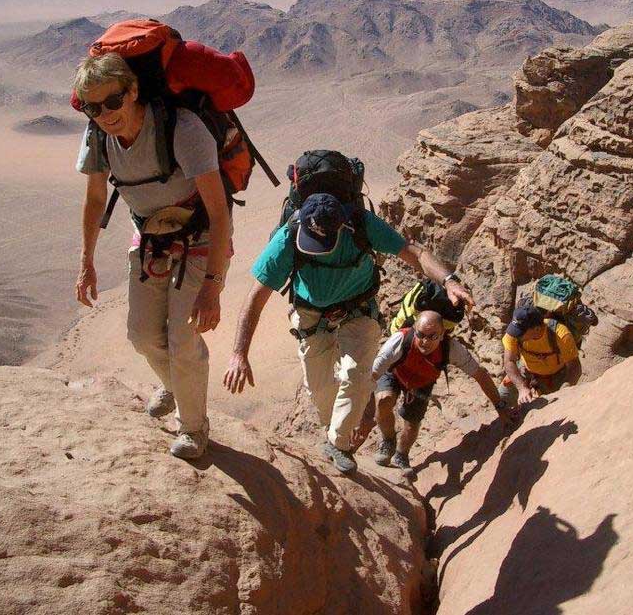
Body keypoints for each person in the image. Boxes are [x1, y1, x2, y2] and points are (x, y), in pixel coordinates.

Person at [223, 192, 473, 474]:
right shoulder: (289, 236)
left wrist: (449, 281)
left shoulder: (363, 225)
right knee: (318, 387)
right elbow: (256, 297)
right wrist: (238, 354)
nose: (317, 246)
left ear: (342, 227)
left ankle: (339, 445)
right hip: (310, 315)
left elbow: (415, 252)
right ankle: (332, 430)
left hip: (358, 310)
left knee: (357, 376)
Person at [73, 52, 232, 460]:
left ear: (133, 91)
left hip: (199, 238)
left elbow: (218, 213)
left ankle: (194, 427)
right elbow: (95, 199)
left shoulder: (182, 129)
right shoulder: (98, 136)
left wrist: (212, 288)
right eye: (93, 107)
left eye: (112, 102)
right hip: (149, 239)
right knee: (142, 336)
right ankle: (177, 385)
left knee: (183, 338)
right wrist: (86, 261)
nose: (105, 114)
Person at [361, 310, 511, 474]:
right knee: (383, 400)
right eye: (421, 334)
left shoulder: (451, 348)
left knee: (412, 423)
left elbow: (479, 375)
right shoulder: (400, 339)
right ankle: (388, 440)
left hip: (422, 383)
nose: (425, 341)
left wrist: (500, 405)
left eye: (432, 336)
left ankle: (401, 454)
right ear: (414, 329)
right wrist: (363, 417)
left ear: (442, 335)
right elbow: (372, 375)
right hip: (394, 373)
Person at [499, 304, 582, 407]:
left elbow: (575, 367)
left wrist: (566, 387)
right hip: (527, 371)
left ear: (537, 329)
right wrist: (521, 387)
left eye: (520, 332)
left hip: (557, 375)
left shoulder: (560, 334)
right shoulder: (514, 334)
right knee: (502, 399)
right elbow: (509, 361)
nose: (515, 335)